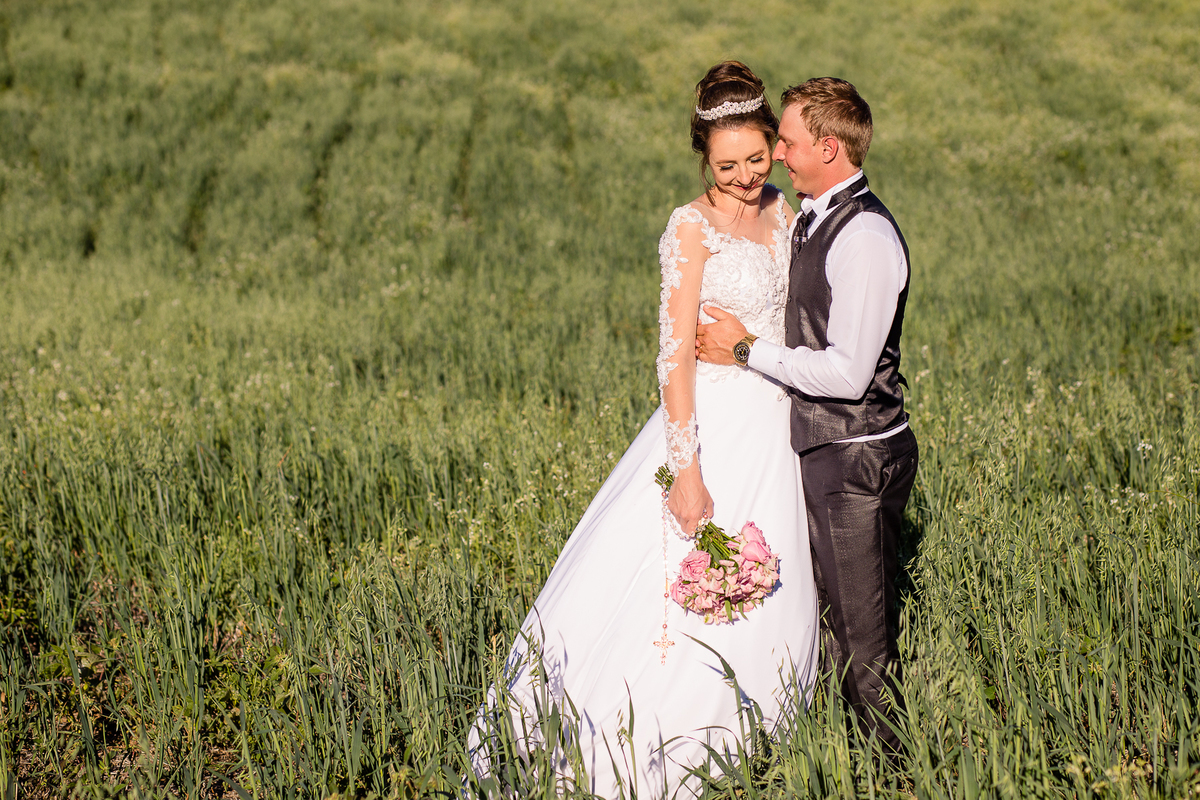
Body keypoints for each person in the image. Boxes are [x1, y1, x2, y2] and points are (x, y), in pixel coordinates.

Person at [469, 62, 819, 798]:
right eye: (727, 166)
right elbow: (672, 355)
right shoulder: (688, 228)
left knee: (770, 587)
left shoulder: (784, 211)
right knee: (678, 587)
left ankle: (752, 737)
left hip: (777, 423)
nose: (746, 177)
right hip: (715, 423)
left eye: (757, 158)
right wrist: (687, 470)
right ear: (703, 157)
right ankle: (631, 753)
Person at [696, 77, 918, 756]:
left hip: (856, 453)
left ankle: (890, 766)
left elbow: (849, 374)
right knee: (829, 618)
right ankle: (838, 748)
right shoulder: (813, 215)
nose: (778, 158)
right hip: (825, 448)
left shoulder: (867, 237)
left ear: (827, 147)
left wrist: (744, 347)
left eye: (787, 144)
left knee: (861, 633)